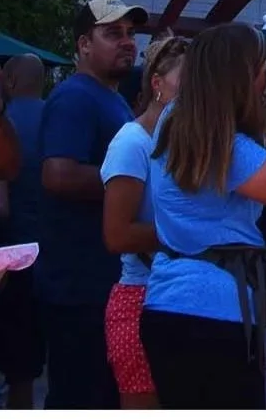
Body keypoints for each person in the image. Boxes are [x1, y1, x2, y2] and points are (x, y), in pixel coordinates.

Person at [140, 22, 266, 409]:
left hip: (167, 305)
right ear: (240, 74)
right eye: (263, 67)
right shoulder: (227, 147)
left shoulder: (179, 121)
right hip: (218, 314)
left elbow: (262, 175)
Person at [38, 0, 145, 409]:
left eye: (131, 33)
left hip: (102, 283)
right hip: (78, 287)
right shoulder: (76, 97)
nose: (127, 42)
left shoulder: (111, 98)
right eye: (112, 33)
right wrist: (128, 187)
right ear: (84, 44)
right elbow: (58, 174)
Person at [100, 35, 188, 409]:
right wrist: (193, 235)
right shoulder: (131, 143)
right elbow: (116, 235)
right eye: (189, 79)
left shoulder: (183, 143)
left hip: (179, 296)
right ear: (157, 84)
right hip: (139, 300)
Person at [0, 55, 49, 409]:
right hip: (44, 257)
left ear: (10, 83)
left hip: (8, 256)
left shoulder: (7, 124)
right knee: (25, 370)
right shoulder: (56, 120)